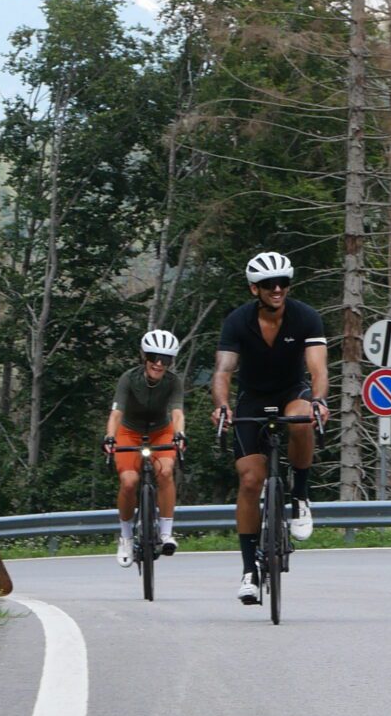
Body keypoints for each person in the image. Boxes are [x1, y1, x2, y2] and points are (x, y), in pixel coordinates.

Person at [209, 251, 329, 606]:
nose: (277, 289)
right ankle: (249, 571)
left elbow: (318, 370)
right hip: (252, 400)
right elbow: (223, 372)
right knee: (249, 481)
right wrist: (222, 406)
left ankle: (300, 497)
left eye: (283, 283)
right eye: (268, 284)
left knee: (304, 417)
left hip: (292, 392)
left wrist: (320, 400)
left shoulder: (306, 317)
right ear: (254, 289)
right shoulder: (237, 321)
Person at [106, 328, 186, 565]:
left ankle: (166, 532)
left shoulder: (173, 382)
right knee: (129, 481)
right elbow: (116, 413)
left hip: (160, 431)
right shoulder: (129, 379)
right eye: (154, 357)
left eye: (166, 360)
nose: (159, 364)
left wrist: (180, 434)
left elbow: (178, 412)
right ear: (144, 357)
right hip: (129, 431)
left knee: (165, 471)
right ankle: (127, 537)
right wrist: (110, 437)